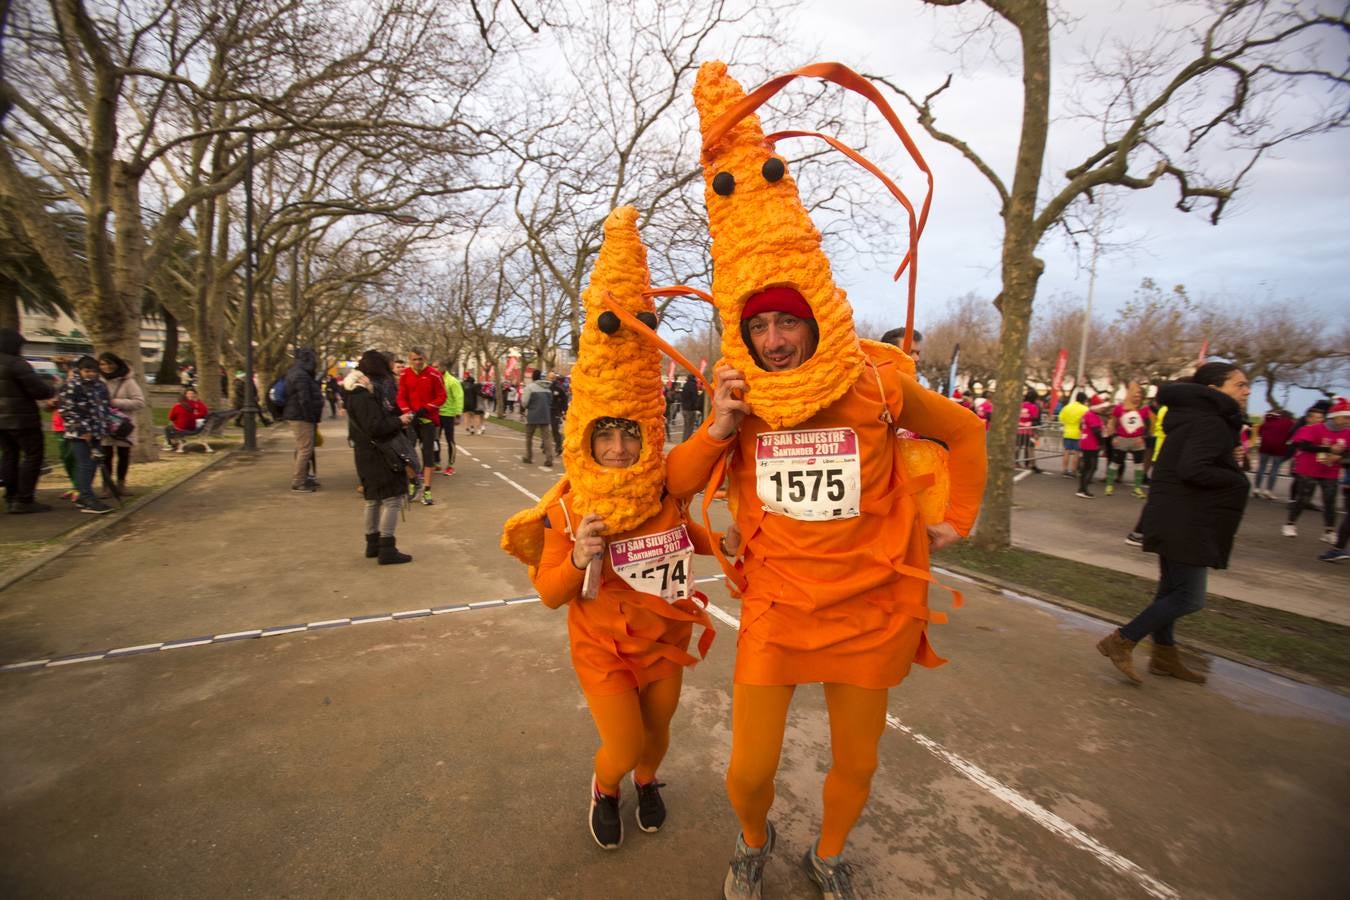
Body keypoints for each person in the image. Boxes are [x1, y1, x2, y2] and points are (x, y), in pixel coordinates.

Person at [679, 59, 992, 900]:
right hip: (780, 605)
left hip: (871, 601)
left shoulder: (879, 383)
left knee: (858, 758)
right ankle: (755, 838)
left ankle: (829, 854)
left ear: (814, 313)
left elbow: (964, 433)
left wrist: (955, 516)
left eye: (788, 321)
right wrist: (719, 428)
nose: (776, 339)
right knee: (747, 769)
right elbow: (677, 483)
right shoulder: (737, 394)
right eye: (761, 325)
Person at [502, 205, 716, 852]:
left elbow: (688, 504)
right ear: (585, 438)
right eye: (607, 435)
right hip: (603, 649)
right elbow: (549, 592)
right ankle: (607, 788)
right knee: (621, 744)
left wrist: (723, 542)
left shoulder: (662, 487)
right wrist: (580, 555)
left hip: (667, 635)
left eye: (631, 434)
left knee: (657, 738)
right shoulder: (569, 507)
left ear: (646, 435)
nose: (620, 448)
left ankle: (648, 781)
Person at [1096, 363, 1251, 685]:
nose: (1246, 391)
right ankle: (1122, 640)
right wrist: (1237, 479)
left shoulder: (1195, 417)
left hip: (1177, 517)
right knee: (1189, 597)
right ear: (1214, 390)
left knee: (1171, 591)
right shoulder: (1211, 422)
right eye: (1239, 384)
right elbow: (1193, 469)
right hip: (1187, 522)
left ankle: (1164, 657)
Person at [345, 351, 414, 564]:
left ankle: (372, 544)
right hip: (378, 452)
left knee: (372, 499)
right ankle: (387, 547)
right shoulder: (363, 395)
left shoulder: (355, 391)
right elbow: (375, 426)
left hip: (364, 451)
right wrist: (400, 421)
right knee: (392, 499)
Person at [0, 328, 58, 513]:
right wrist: (52, 388)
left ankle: (10, 496)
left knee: (9, 455)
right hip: (22, 419)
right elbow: (39, 390)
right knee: (33, 456)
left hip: (2, 422)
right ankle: (24, 499)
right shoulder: (17, 364)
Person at [1284, 399, 1348, 540]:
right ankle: (1290, 523)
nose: (1347, 421)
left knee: (1330, 501)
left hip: (1331, 471)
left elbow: (1347, 452)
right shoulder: (1312, 429)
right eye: (1345, 417)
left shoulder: (1347, 433)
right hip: (1309, 469)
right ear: (1335, 416)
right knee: (1303, 499)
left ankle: (1329, 531)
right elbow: (1304, 446)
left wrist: (1338, 457)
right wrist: (1328, 448)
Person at [58, 356, 114, 514]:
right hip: (79, 433)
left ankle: (84, 495)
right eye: (87, 371)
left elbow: (104, 407)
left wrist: (105, 426)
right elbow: (67, 410)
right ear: (80, 370)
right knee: (85, 464)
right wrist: (83, 429)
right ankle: (86, 497)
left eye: (94, 371)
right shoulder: (72, 386)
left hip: (97, 431)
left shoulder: (100, 386)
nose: (90, 374)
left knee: (93, 464)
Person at [397, 348, 446, 505]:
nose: (418, 362)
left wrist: (427, 408)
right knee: (407, 455)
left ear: (424, 358)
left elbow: (442, 396)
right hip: (410, 421)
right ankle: (412, 484)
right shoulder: (405, 374)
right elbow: (401, 397)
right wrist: (407, 412)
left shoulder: (434, 374)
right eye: (414, 359)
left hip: (428, 421)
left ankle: (427, 490)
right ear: (409, 360)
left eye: (420, 359)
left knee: (428, 456)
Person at [98, 351, 146, 497]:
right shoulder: (98, 380)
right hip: (104, 424)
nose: (106, 367)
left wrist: (115, 403)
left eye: (109, 363)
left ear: (116, 364)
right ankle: (106, 486)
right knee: (106, 456)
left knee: (123, 455)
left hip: (123, 425)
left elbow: (139, 402)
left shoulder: (128, 381)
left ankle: (121, 484)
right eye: (102, 364)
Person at [282, 347, 324, 493]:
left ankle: (303, 478)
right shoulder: (301, 375)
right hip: (301, 416)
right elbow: (304, 399)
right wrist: (311, 416)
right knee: (305, 449)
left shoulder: (297, 372)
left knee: (304, 448)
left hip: (299, 415)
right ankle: (299, 481)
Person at [1106, 383, 1151, 498]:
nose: (1138, 398)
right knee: (1116, 462)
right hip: (1122, 439)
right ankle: (1109, 485)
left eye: (1139, 395)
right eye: (1135, 395)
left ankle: (1136, 488)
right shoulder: (1120, 408)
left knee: (1139, 464)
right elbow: (1113, 422)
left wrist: (1143, 437)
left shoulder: (1144, 409)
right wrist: (1114, 436)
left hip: (1137, 440)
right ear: (1129, 395)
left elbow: (1148, 425)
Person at [1252, 408, 1295, 500]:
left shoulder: (1269, 421)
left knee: (1261, 467)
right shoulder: (1290, 424)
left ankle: (1256, 489)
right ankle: (1268, 491)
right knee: (1274, 469)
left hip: (1265, 446)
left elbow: (1260, 432)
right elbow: (1292, 435)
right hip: (1279, 448)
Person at [1076, 396, 1110, 499]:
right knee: (1090, 467)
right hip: (1091, 444)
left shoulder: (1087, 414)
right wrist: (1102, 444)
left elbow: (1080, 427)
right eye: (1101, 407)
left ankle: (1082, 488)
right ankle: (1083, 489)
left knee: (1088, 467)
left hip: (1086, 442)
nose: (1102, 409)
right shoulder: (1092, 415)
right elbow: (1096, 431)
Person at [521, 370, 554, 467]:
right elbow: (550, 402)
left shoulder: (529, 388)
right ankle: (549, 459)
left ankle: (528, 457)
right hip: (545, 415)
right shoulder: (548, 388)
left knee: (529, 437)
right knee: (547, 438)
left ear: (532, 377)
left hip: (533, 415)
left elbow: (524, 402)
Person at [438, 363, 464, 475]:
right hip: (436, 414)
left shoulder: (453, 381)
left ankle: (450, 465)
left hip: (449, 415)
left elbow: (459, 397)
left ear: (443, 367)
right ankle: (436, 463)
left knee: (450, 440)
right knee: (434, 440)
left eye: (437, 367)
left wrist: (458, 414)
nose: (435, 369)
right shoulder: (434, 379)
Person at [1057, 391, 1089, 479]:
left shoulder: (1067, 407)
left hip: (1067, 432)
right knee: (1076, 453)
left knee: (1066, 451)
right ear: (1083, 400)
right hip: (1078, 433)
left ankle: (1064, 470)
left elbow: (1060, 418)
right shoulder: (1085, 409)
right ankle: (1073, 471)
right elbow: (1087, 421)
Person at [1017, 388, 1043, 471]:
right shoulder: (1034, 407)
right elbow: (1035, 419)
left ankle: (1015, 462)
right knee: (1030, 448)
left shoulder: (1021, 405)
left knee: (1018, 446)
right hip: (1029, 430)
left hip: (1019, 429)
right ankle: (1032, 464)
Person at [549, 373, 569, 451]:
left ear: (555, 378)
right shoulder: (546, 387)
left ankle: (559, 446)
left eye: (552, 378)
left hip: (556, 411)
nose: (551, 379)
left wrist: (564, 411)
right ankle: (544, 445)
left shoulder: (559, 388)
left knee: (555, 429)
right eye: (550, 378)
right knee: (545, 428)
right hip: (547, 410)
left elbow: (564, 400)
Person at [679, 375, 699, 441]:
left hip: (684, 408)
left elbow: (682, 396)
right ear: (694, 378)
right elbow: (694, 397)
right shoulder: (693, 385)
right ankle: (687, 442)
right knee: (690, 427)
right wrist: (696, 406)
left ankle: (684, 441)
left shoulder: (685, 385)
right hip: (690, 409)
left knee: (686, 427)